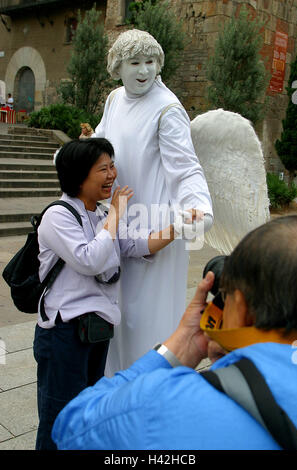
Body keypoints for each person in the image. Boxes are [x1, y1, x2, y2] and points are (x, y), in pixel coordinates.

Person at [52, 215, 297, 450]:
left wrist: (180, 346)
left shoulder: (177, 404)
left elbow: (73, 427)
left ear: (243, 309)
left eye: (229, 297)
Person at [33, 137, 179, 450]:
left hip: (96, 334)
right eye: (103, 168)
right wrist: (115, 213)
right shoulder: (58, 216)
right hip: (64, 335)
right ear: (78, 176)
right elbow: (90, 259)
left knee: (87, 414)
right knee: (58, 419)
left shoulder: (99, 215)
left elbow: (135, 245)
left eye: (112, 166)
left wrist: (178, 226)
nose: (112, 174)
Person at [92, 29, 213, 375]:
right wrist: (77, 154)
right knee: (117, 318)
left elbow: (186, 167)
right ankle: (117, 393)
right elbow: (102, 138)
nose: (143, 70)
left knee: (147, 322)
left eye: (150, 62)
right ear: (118, 67)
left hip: (156, 226)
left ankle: (151, 396)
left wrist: (197, 207)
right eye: (134, 62)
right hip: (118, 222)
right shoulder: (115, 99)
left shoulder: (167, 109)